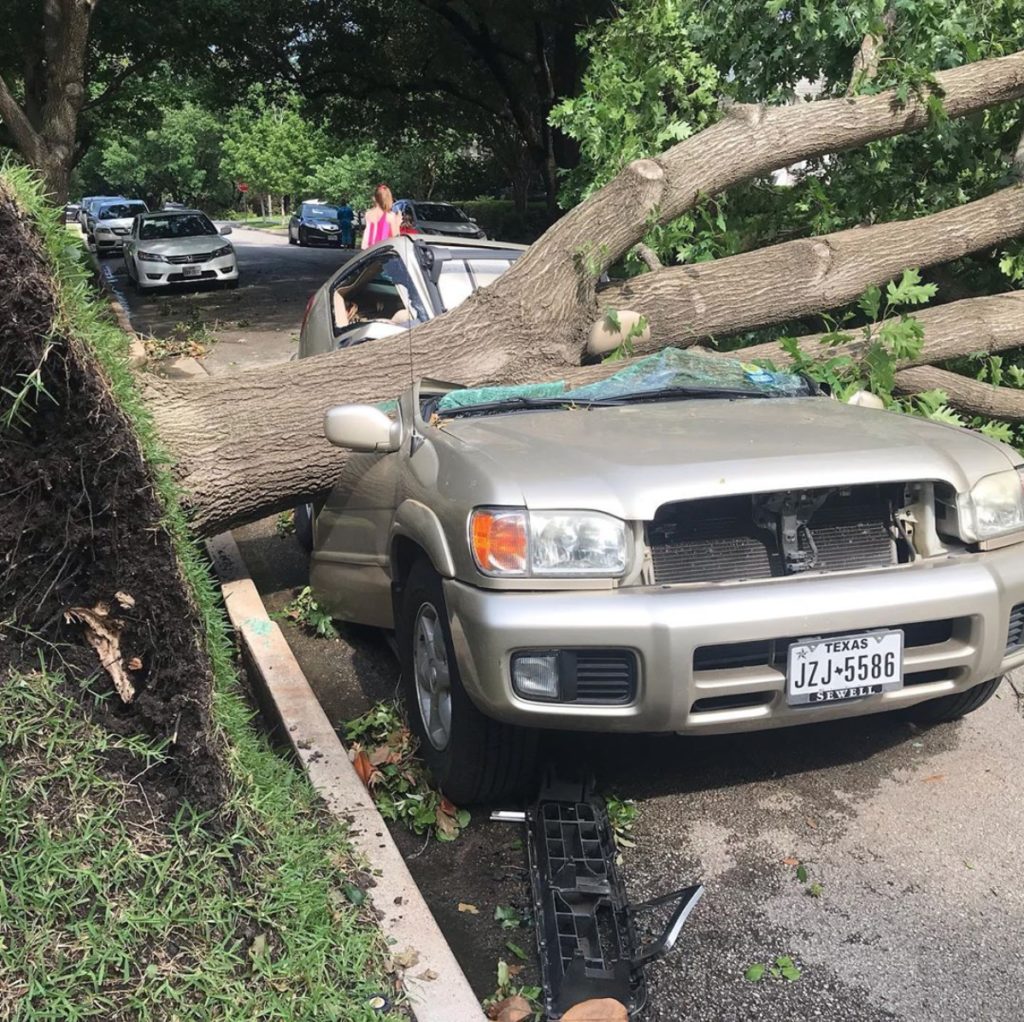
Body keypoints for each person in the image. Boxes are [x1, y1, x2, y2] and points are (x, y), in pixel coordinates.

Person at [360, 184, 401, 249]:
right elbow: (396, 238)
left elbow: (367, 236)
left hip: (370, 250)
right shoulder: (390, 216)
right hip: (383, 250)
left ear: (375, 198)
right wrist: (397, 224)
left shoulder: (368, 214)